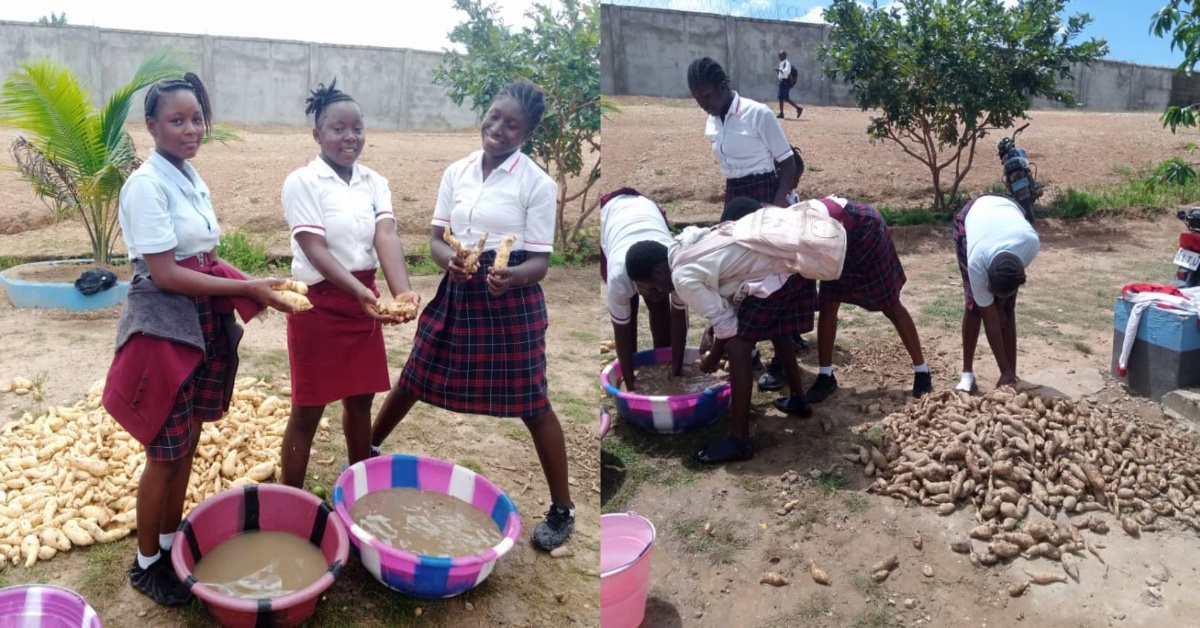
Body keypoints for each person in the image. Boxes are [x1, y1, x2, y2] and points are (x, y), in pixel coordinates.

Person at [102, 73, 294, 605]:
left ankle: (168, 542)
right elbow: (165, 272)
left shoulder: (188, 175)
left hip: (201, 321)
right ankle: (146, 566)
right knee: (164, 451)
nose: (191, 129)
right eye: (177, 120)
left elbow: (202, 256)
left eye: (196, 119)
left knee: (188, 439)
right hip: (167, 327)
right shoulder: (146, 184)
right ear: (152, 127)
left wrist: (252, 288)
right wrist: (247, 285)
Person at [370, 79, 575, 550]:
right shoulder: (457, 172)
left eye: (512, 125)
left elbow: (541, 261)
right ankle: (368, 450)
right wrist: (449, 262)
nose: (498, 129)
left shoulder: (537, 184)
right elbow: (437, 239)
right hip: (458, 292)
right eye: (495, 116)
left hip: (510, 300)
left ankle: (563, 508)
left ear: (526, 134)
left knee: (533, 402)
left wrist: (514, 276)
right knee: (415, 376)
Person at [279, 79, 420, 488]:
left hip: (364, 302)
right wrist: (360, 293)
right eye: (338, 128)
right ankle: (292, 501)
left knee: (361, 403)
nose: (349, 137)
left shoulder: (374, 182)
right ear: (317, 135)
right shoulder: (303, 182)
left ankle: (361, 492)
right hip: (318, 305)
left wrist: (401, 292)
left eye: (357, 128)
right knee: (308, 410)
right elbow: (313, 246)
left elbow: (386, 236)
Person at [625, 201, 818, 465]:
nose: (659, 292)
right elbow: (723, 285)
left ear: (659, 271)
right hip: (789, 263)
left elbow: (728, 326)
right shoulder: (684, 241)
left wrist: (712, 358)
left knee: (739, 348)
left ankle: (739, 440)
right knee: (777, 331)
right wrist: (711, 332)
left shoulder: (680, 277)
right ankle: (798, 399)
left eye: (654, 286)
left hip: (776, 275)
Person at [796, 195, 933, 402]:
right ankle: (826, 376)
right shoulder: (794, 225)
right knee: (828, 304)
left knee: (891, 306)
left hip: (866, 234)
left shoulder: (820, 224)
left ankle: (922, 372)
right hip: (833, 243)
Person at [600, 188, 688, 391]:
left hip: (646, 210)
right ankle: (632, 367)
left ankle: (663, 360)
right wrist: (631, 387)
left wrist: (675, 372)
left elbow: (679, 321)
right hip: (613, 217)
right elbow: (620, 330)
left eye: (656, 287)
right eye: (646, 288)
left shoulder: (678, 268)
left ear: (661, 272)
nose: (655, 295)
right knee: (627, 308)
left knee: (659, 305)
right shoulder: (618, 278)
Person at [954, 194, 1040, 392]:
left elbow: (1008, 291)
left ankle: (1011, 375)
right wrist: (995, 308)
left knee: (1008, 309)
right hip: (972, 217)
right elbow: (990, 319)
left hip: (1007, 211)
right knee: (974, 307)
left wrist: (1003, 305)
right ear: (987, 278)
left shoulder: (1030, 245)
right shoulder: (977, 261)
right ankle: (967, 373)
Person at [688, 56, 797, 209]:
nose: (702, 104)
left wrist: (776, 207)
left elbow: (788, 163)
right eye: (697, 98)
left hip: (762, 191)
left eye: (707, 96)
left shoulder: (758, 114)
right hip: (733, 193)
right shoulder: (713, 121)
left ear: (723, 87)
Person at [776, 50, 803, 119]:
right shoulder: (781, 63)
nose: (780, 57)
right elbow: (781, 74)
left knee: (786, 98)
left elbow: (786, 72)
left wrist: (779, 71)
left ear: (784, 56)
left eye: (781, 56)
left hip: (785, 82)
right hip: (781, 82)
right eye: (779, 56)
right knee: (780, 97)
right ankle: (781, 113)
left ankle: (798, 108)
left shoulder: (787, 63)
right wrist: (778, 73)